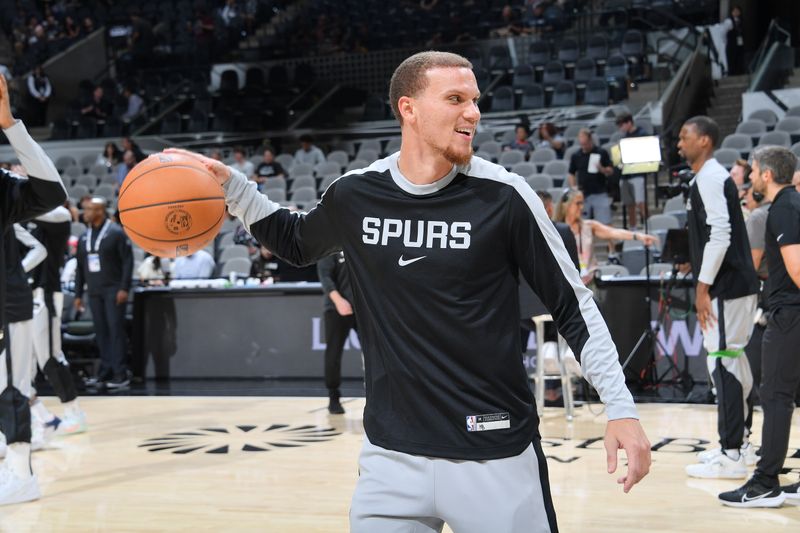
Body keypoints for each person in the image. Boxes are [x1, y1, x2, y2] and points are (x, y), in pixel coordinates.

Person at [167, 50, 650, 532]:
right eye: (456, 99)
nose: (474, 113)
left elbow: (573, 306)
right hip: (390, 458)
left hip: (494, 454)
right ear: (408, 109)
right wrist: (233, 187)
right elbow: (296, 242)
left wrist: (620, 407)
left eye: (476, 100)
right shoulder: (355, 193)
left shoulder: (505, 195)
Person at [678, 116, 760, 480]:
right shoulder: (709, 178)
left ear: (706, 141)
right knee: (732, 362)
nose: (680, 144)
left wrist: (702, 286)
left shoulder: (710, 177)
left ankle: (731, 454)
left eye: (685, 137)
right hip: (734, 284)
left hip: (725, 287)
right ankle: (740, 443)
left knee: (722, 363)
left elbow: (721, 234)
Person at [0, 72, 68, 506]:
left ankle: (22, 476)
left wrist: (9, 125)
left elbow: (51, 193)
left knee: (11, 389)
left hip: (7, 305)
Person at [719, 146, 800, 507]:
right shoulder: (795, 203)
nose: (750, 177)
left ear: (767, 174)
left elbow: (796, 269)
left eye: (753, 171)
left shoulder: (783, 208)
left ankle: (766, 481)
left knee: (776, 396)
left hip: (789, 314)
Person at [29, 205, 87, 434]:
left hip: (46, 294)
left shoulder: (59, 216)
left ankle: (74, 413)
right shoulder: (22, 225)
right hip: (21, 296)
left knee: (50, 358)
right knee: (20, 365)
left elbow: (29, 211)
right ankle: (39, 417)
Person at [74, 198, 133, 389]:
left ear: (100, 211)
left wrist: (124, 288)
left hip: (114, 290)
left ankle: (120, 374)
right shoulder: (84, 236)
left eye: (90, 210)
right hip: (94, 291)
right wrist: (77, 294)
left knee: (115, 331)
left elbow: (127, 262)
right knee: (101, 332)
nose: (85, 213)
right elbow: (80, 268)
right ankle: (105, 371)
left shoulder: (115, 233)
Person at [555, 188, 658, 284]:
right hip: (568, 282)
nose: (581, 207)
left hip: (590, 280)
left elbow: (613, 232)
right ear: (566, 205)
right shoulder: (556, 230)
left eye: (582, 203)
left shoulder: (588, 226)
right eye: (578, 203)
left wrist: (638, 236)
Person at [317, 251, 357, 414]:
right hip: (336, 308)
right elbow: (325, 276)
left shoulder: (361, 241)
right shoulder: (330, 244)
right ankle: (333, 397)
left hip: (363, 309)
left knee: (374, 354)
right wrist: (339, 301)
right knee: (333, 354)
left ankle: (376, 395)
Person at [567, 128, 614, 235]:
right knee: (582, 224)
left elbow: (611, 170)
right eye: (582, 144)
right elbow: (571, 173)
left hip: (599, 191)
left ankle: (612, 249)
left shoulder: (601, 152)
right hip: (583, 194)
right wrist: (574, 187)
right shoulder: (576, 156)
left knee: (605, 222)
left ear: (590, 140)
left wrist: (602, 169)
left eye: (586, 143)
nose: (584, 146)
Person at [615, 113, 648, 229]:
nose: (621, 128)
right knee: (629, 203)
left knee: (640, 201)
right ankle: (633, 226)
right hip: (626, 174)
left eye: (622, 125)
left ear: (629, 122)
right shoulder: (624, 137)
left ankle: (647, 224)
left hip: (637, 173)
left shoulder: (642, 134)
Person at [535, 189, 579, 270]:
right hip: (560, 281)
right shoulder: (564, 230)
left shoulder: (521, 232)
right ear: (550, 208)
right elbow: (574, 266)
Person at [722, 5, 745, 76]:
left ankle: (739, 71)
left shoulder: (741, 20)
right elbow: (723, 32)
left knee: (739, 57)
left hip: (739, 42)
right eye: (734, 11)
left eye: (737, 11)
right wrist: (725, 41)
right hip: (731, 43)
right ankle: (731, 72)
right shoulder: (729, 21)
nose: (736, 13)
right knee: (732, 58)